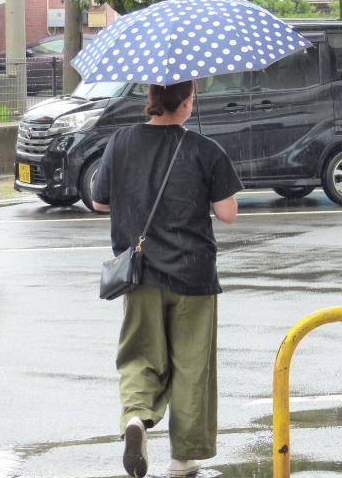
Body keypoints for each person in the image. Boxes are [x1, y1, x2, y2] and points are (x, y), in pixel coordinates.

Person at [92, 81, 243, 478]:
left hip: (140, 272)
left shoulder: (120, 142)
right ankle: (183, 458)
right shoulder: (205, 149)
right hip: (194, 276)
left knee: (139, 354)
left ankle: (136, 417)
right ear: (188, 102)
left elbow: (99, 200)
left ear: (150, 98)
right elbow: (227, 213)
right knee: (191, 365)